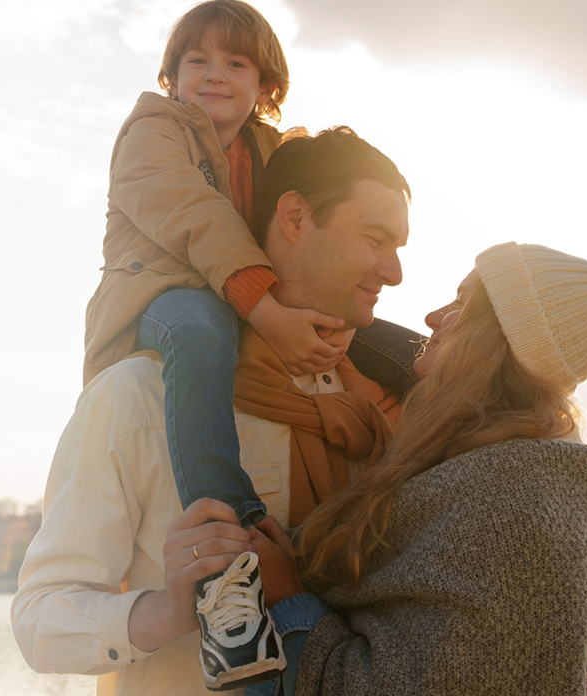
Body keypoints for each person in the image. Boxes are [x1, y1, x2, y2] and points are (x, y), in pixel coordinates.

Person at [12, 129, 587, 696]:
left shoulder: (407, 413)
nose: (395, 272)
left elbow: (489, 565)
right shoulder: (139, 400)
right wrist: (169, 609)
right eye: (375, 239)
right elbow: (40, 619)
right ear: (294, 217)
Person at [81, 2, 357, 686]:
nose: (213, 74)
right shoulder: (152, 131)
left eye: (236, 62)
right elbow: (196, 218)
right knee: (201, 327)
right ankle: (226, 563)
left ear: (265, 83)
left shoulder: (269, 150)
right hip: (161, 299)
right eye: (195, 60)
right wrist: (267, 312)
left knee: (369, 338)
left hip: (243, 296)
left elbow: (315, 200)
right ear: (170, 76)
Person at [233, 243, 587, 695]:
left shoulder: (509, 509)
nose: (431, 316)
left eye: (461, 304)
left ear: (492, 340)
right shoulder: (532, 480)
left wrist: (289, 601)